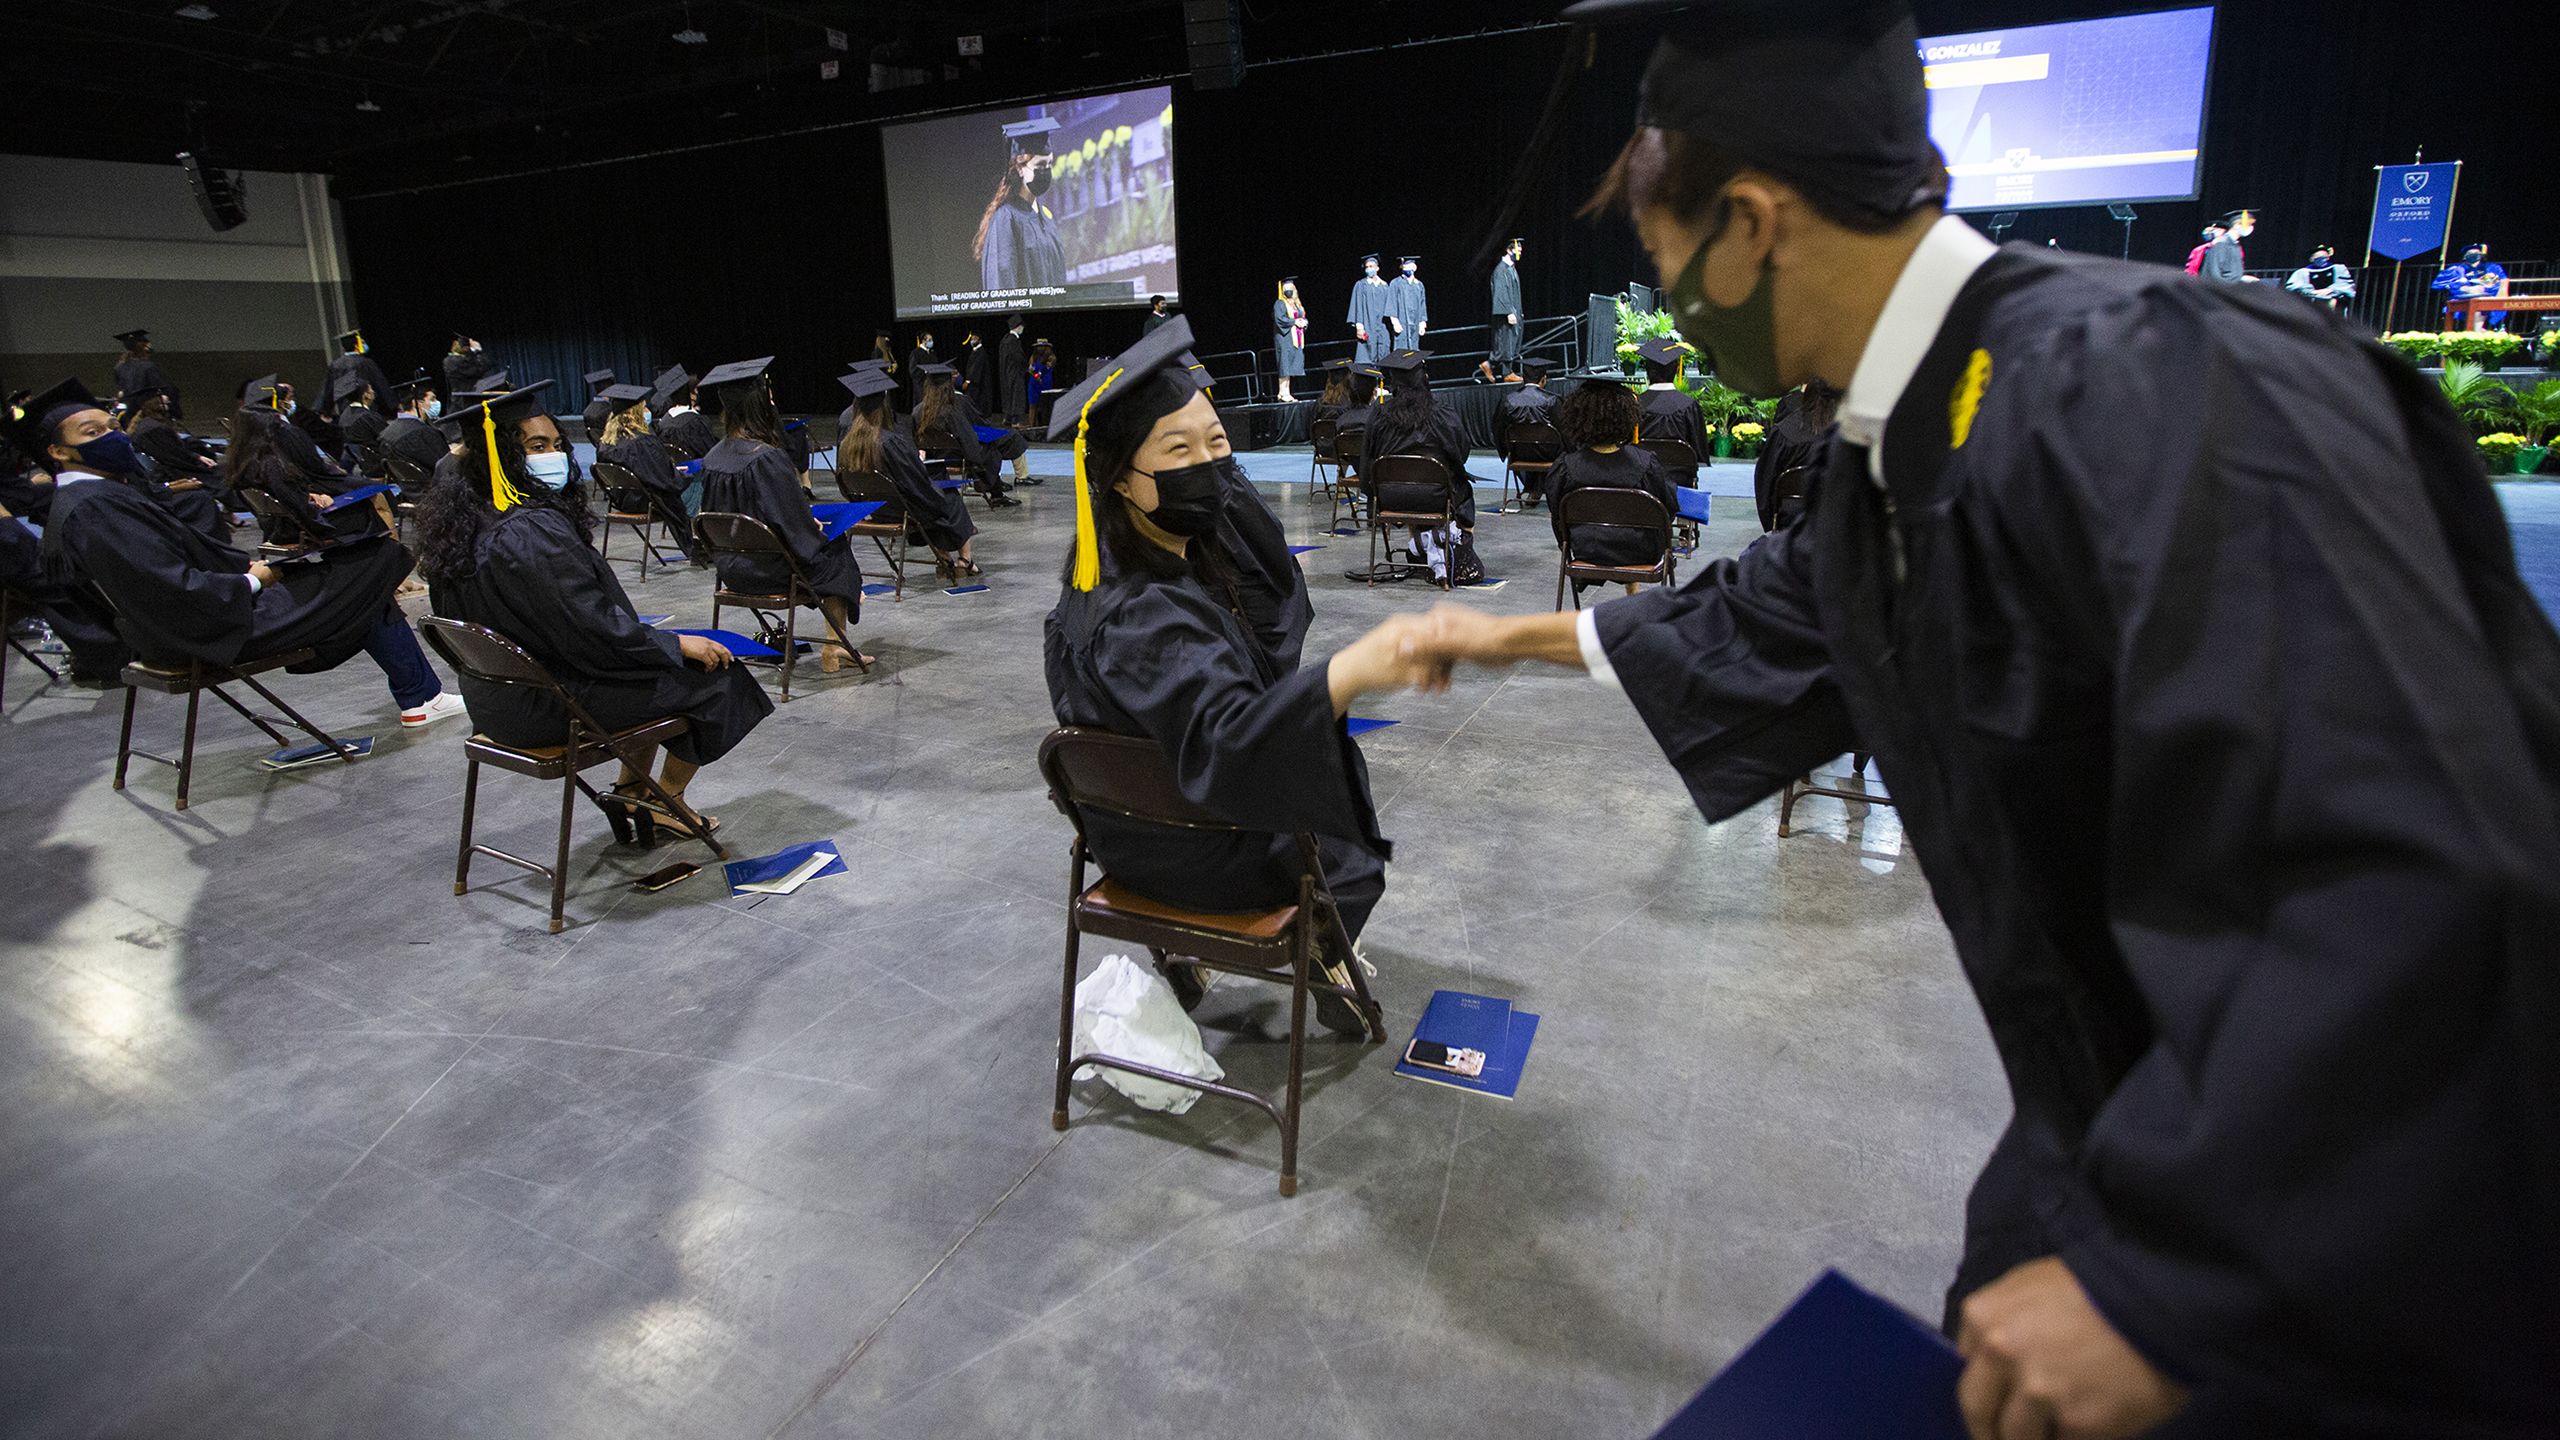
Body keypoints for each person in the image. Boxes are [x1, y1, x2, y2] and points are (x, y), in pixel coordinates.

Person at [1410, 3, 2560, 1434]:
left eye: (1667, 264)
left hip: (2345, 1222)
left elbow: (2433, 863)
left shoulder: (2157, 385)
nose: (1678, 310)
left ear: (1754, 225)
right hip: (2112, 1118)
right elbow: (1773, 611)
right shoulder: (1912, 435)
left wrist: (2178, 1288)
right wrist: (1492, 633)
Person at [1042, 317, 1428, 1027]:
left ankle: (1197, 957)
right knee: (1336, 796)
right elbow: (1238, 741)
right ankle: (1320, 946)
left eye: (1218, 442)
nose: (1211, 465)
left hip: (1127, 845)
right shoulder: (1150, 620)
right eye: (1178, 449)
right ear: (1119, 479)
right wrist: (1350, 673)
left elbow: (1265, 595)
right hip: (1215, 862)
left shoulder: (1102, 579)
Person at [419, 381, 768, 843]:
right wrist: (674, 642)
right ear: (499, 455)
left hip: (494, 702)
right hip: (550, 706)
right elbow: (594, 632)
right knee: (717, 676)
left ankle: (630, 793)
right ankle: (663, 798)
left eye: (557, 444)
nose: (554, 455)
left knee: (644, 666)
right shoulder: (530, 531)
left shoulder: (460, 522)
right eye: (537, 446)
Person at [18, 376, 462, 728]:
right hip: (207, 628)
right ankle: (421, 697)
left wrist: (254, 568)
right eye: (92, 432)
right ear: (58, 451)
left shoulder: (86, 499)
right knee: (376, 562)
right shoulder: (96, 509)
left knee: (361, 584)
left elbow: (170, 563)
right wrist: (252, 579)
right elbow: (167, 585)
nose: (112, 437)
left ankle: (420, 698)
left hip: (189, 620)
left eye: (113, 426)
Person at [696, 357, 870, 673]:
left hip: (731, 571)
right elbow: (791, 525)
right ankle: (834, 647)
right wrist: (810, 526)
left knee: (823, 548)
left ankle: (838, 636)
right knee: (836, 549)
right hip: (771, 572)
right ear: (761, 405)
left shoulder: (711, 458)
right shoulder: (766, 458)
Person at [837, 367, 978, 581]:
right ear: (884, 405)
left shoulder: (847, 443)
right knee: (947, 499)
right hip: (904, 511)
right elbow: (917, 483)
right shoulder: (889, 442)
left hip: (876, 511)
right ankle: (964, 561)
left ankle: (945, 560)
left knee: (932, 501)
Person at [1544, 379, 1678, 591]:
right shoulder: (1645, 464)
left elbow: (1557, 515)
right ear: (1626, 416)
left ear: (1577, 417)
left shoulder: (1565, 467)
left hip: (1587, 551)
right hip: (1641, 553)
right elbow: (1668, 510)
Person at [1364, 351, 1479, 580]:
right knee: (1462, 487)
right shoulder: (1441, 413)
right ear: (1424, 377)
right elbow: (1461, 452)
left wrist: (1373, 494)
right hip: (1437, 498)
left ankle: (1419, 548)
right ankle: (1455, 554)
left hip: (1390, 498)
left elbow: (1367, 458)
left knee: (1411, 485)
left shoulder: (1379, 414)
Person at [596, 383, 706, 566]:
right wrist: (683, 475)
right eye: (644, 407)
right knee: (698, 479)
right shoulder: (642, 441)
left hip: (622, 500)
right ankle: (701, 545)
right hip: (647, 501)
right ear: (636, 412)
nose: (647, 410)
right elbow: (665, 481)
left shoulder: (606, 441)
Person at [116, 388, 231, 544]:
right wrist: (196, 462)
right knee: (222, 476)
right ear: (156, 404)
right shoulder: (154, 428)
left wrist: (196, 455)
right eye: (165, 401)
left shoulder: (148, 424)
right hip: (171, 472)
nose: (168, 403)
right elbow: (174, 457)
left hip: (169, 470)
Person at [916, 362, 1033, 502]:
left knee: (990, 448)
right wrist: (977, 459)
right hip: (958, 457)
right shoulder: (951, 410)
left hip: (934, 458)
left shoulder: (917, 411)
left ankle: (993, 489)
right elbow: (968, 439)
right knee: (991, 450)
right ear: (948, 386)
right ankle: (996, 494)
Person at [979, 116, 1068, 292]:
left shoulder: (1045, 217)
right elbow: (1001, 289)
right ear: (1020, 168)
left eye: (1050, 164)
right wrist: (1017, 321)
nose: (1046, 171)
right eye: (1040, 165)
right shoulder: (1006, 219)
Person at [1752, 377, 1838, 532]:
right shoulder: (1848, 433)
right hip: (1837, 514)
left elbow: (1766, 478)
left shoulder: (1785, 431)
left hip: (1792, 515)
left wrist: (1771, 516)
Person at [1633, 337, 1710, 485]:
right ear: (1676, 370)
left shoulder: (1634, 405)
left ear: (1647, 371)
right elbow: (1699, 454)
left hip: (1642, 482)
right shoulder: (1689, 406)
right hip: (1680, 482)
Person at [381, 377, 449, 482]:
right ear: (416, 403)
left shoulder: (386, 433)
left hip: (410, 490)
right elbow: (445, 466)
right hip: (435, 488)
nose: (437, 402)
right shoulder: (422, 433)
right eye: (432, 399)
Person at [2433, 242, 2509, 330]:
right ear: (2464, 256)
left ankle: (2477, 330)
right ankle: (2476, 331)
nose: (2473, 255)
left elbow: (2499, 282)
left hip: (2485, 298)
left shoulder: (2492, 268)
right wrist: (2466, 289)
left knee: (2481, 303)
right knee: (2475, 302)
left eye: (2476, 253)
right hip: (2461, 299)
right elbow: (2447, 284)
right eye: (2470, 253)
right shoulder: (2455, 269)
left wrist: (2483, 289)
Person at [648, 366, 719, 460]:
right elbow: (710, 453)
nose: (697, 396)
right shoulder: (694, 422)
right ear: (690, 395)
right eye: (695, 392)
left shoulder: (665, 419)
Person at [326, 330, 395, 421]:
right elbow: (381, 384)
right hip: (366, 407)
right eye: (362, 342)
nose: (363, 344)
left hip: (345, 411)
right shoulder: (365, 363)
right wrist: (394, 404)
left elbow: (329, 389)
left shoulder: (335, 365)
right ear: (356, 345)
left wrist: (326, 411)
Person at [112, 329, 179, 420]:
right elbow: (167, 389)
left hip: (128, 413)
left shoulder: (119, 367)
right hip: (149, 412)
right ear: (145, 347)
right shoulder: (148, 366)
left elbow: (121, 391)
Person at [1345, 255, 1393, 363]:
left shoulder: (1385, 286)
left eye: (1371, 266)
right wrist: (1359, 327)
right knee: (1367, 356)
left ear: (1377, 268)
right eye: (1367, 267)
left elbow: (1390, 308)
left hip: (1382, 327)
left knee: (1384, 354)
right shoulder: (1360, 285)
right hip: (1367, 326)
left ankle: (1382, 379)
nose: (1369, 269)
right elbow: (1356, 306)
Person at [2282, 244, 2356, 313]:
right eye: (2317, 257)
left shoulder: (2338, 268)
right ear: (2311, 258)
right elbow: (2293, 287)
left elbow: (2345, 285)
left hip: (2333, 300)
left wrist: (2330, 290)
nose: (2321, 259)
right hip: (2310, 302)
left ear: (2328, 257)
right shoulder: (2302, 272)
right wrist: (2311, 292)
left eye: (2324, 256)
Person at [1490, 237, 1526, 376]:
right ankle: (1507, 373)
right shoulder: (1501, 270)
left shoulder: (1511, 269)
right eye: (1518, 250)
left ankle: (1488, 365)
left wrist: (1518, 312)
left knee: (1511, 341)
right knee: (1505, 341)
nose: (1520, 253)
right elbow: (1501, 293)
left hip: (1514, 312)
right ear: (1509, 250)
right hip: (1506, 315)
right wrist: (1508, 312)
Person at [1272, 278, 1308, 402]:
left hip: (1295, 339)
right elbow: (1279, 319)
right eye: (1285, 289)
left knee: (1291, 364)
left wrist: (1304, 322)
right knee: (1284, 364)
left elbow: (1302, 317)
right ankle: (1282, 392)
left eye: (1290, 289)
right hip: (1284, 338)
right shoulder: (1280, 303)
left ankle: (1286, 392)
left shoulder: (1297, 304)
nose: (1288, 291)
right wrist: (1294, 322)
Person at [1385, 255, 1430, 351]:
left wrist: (1422, 323)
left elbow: (1422, 305)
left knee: (1414, 350)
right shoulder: (1395, 283)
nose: (1406, 269)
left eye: (1409, 267)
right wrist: (1395, 322)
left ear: (1414, 268)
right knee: (1401, 350)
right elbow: (1391, 303)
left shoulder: (1419, 285)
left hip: (1415, 322)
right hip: (1402, 323)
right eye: (1404, 267)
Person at [2200, 208, 2257, 283]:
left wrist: (2241, 278)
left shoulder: (2235, 245)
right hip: (2220, 290)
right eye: (2248, 224)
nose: (2250, 227)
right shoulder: (2221, 244)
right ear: (2237, 226)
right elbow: (2213, 273)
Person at [997, 316, 1030, 424]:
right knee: (1016, 396)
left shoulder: (1004, 340)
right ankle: (1015, 421)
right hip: (1015, 373)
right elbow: (1018, 358)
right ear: (1018, 327)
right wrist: (1027, 367)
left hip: (1005, 373)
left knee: (1008, 395)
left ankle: (1007, 418)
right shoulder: (1013, 341)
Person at [1027, 338, 1057, 428]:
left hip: (1045, 383)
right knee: (1033, 405)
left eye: (1042, 346)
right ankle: (1031, 426)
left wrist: (1040, 375)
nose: (1040, 348)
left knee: (1045, 406)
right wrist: (1036, 376)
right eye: (1038, 346)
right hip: (1034, 383)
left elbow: (1047, 367)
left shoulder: (1052, 357)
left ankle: (1045, 426)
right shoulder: (1033, 357)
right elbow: (1030, 369)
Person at [905, 330, 936, 410]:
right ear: (923, 340)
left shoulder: (932, 353)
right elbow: (912, 370)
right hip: (921, 385)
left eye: (931, 340)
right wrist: (925, 371)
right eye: (929, 340)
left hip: (932, 384)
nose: (931, 342)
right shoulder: (915, 353)